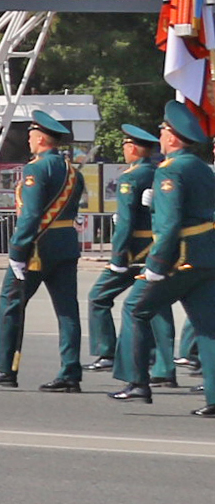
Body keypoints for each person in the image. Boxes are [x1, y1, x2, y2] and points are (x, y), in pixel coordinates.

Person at [107, 104, 215, 411]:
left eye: (163, 131)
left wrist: (155, 266)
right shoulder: (201, 168)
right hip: (207, 257)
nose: (161, 136)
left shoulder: (170, 170)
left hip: (180, 259)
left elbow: (168, 225)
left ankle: (137, 382)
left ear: (174, 137)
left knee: (134, 309)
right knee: (208, 327)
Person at [0, 117, 81, 389]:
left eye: (31, 134)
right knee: (67, 311)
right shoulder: (73, 172)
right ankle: (70, 372)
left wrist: (16, 250)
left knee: (11, 305)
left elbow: (31, 214)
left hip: (38, 248)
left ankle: (5, 368)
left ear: (40, 138)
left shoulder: (36, 169)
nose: (28, 139)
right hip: (66, 245)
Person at [85, 127, 159, 375]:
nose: (124, 150)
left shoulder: (131, 177)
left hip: (133, 252)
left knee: (98, 297)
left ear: (134, 148)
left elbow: (126, 222)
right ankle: (150, 354)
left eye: (126, 145)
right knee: (149, 305)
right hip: (156, 248)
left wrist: (117, 256)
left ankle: (106, 351)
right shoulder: (157, 172)